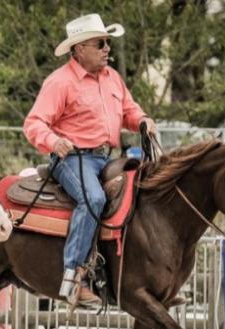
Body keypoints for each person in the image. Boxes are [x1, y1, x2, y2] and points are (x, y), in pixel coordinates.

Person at [23, 13, 157, 309]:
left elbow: (129, 111)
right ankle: (72, 277)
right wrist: (53, 141)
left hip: (106, 158)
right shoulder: (60, 82)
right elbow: (33, 124)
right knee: (93, 200)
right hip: (72, 159)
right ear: (80, 48)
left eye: (108, 42)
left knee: (144, 196)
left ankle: (141, 278)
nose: (108, 48)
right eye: (101, 43)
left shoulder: (112, 78)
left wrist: (143, 121)